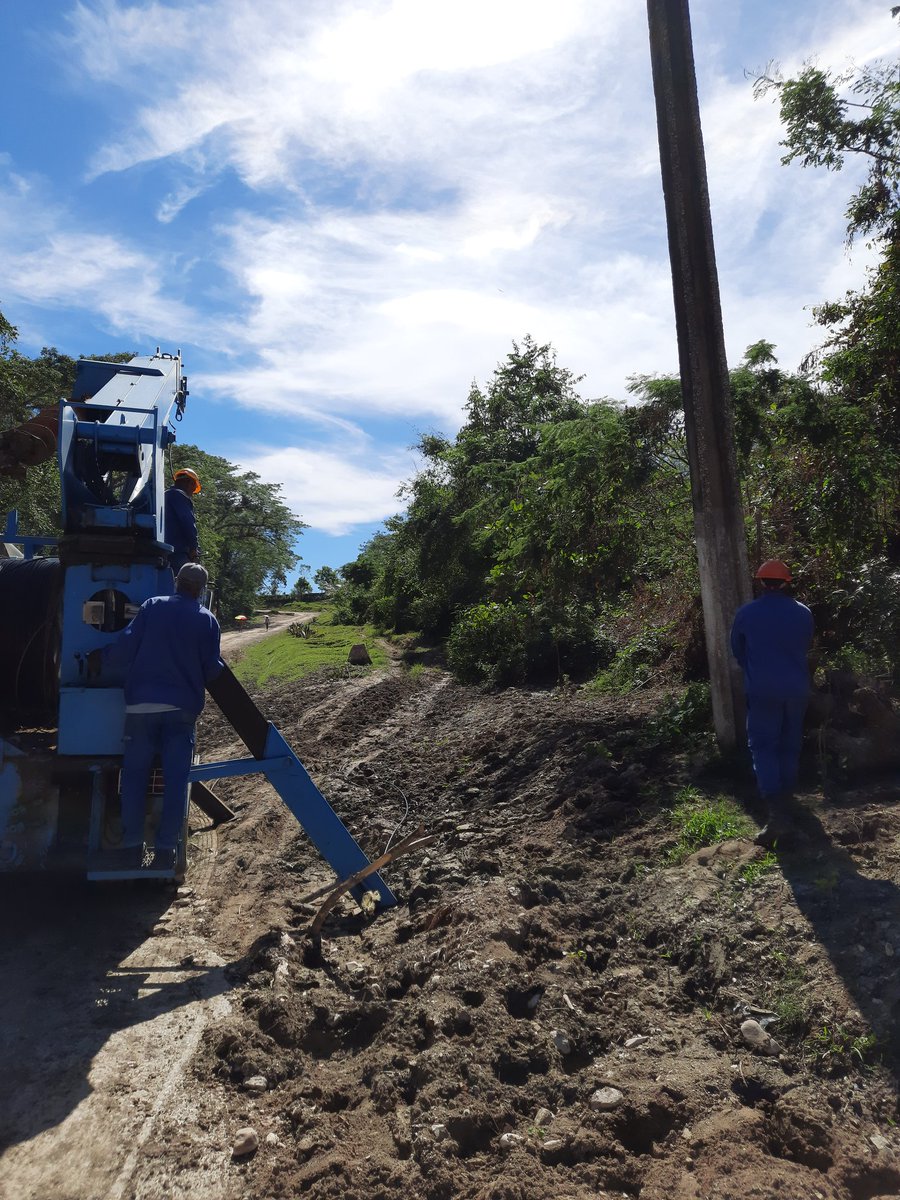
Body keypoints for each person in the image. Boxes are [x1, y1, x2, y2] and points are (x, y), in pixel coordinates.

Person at [90, 563, 223, 870]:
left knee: (134, 779)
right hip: (181, 712)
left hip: (141, 709)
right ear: (200, 589)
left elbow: (126, 646)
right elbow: (212, 669)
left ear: (177, 582)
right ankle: (165, 851)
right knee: (176, 782)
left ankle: (131, 848)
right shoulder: (207, 619)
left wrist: (100, 659)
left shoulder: (152, 606)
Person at [730, 559, 814, 848]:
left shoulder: (746, 614)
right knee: (790, 743)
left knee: (764, 746)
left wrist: (756, 668)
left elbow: (737, 650)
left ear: (760, 582)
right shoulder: (803, 613)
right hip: (797, 689)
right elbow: (805, 645)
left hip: (763, 690)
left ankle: (777, 812)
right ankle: (787, 803)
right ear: (787, 582)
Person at [164, 467, 201, 574]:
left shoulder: (165, 495)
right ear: (188, 482)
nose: (193, 492)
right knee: (187, 580)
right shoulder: (180, 496)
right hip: (177, 552)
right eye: (194, 488)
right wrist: (193, 548)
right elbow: (188, 523)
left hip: (163, 549)